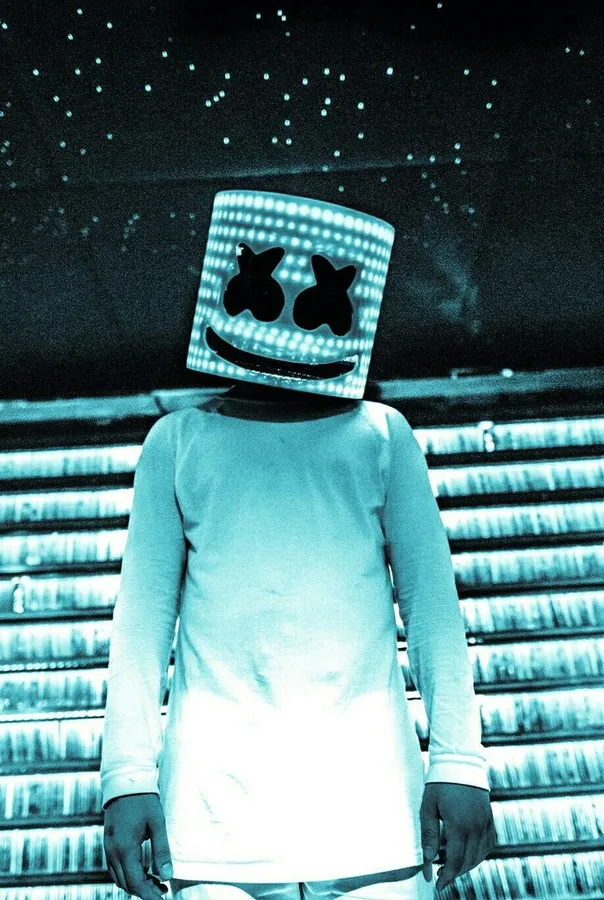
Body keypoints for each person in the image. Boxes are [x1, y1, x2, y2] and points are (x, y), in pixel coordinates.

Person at [101, 191, 497, 900]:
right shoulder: (180, 443)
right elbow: (141, 625)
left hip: (364, 804)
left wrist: (460, 763)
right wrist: (126, 779)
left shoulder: (380, 436)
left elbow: (433, 610)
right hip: (224, 815)